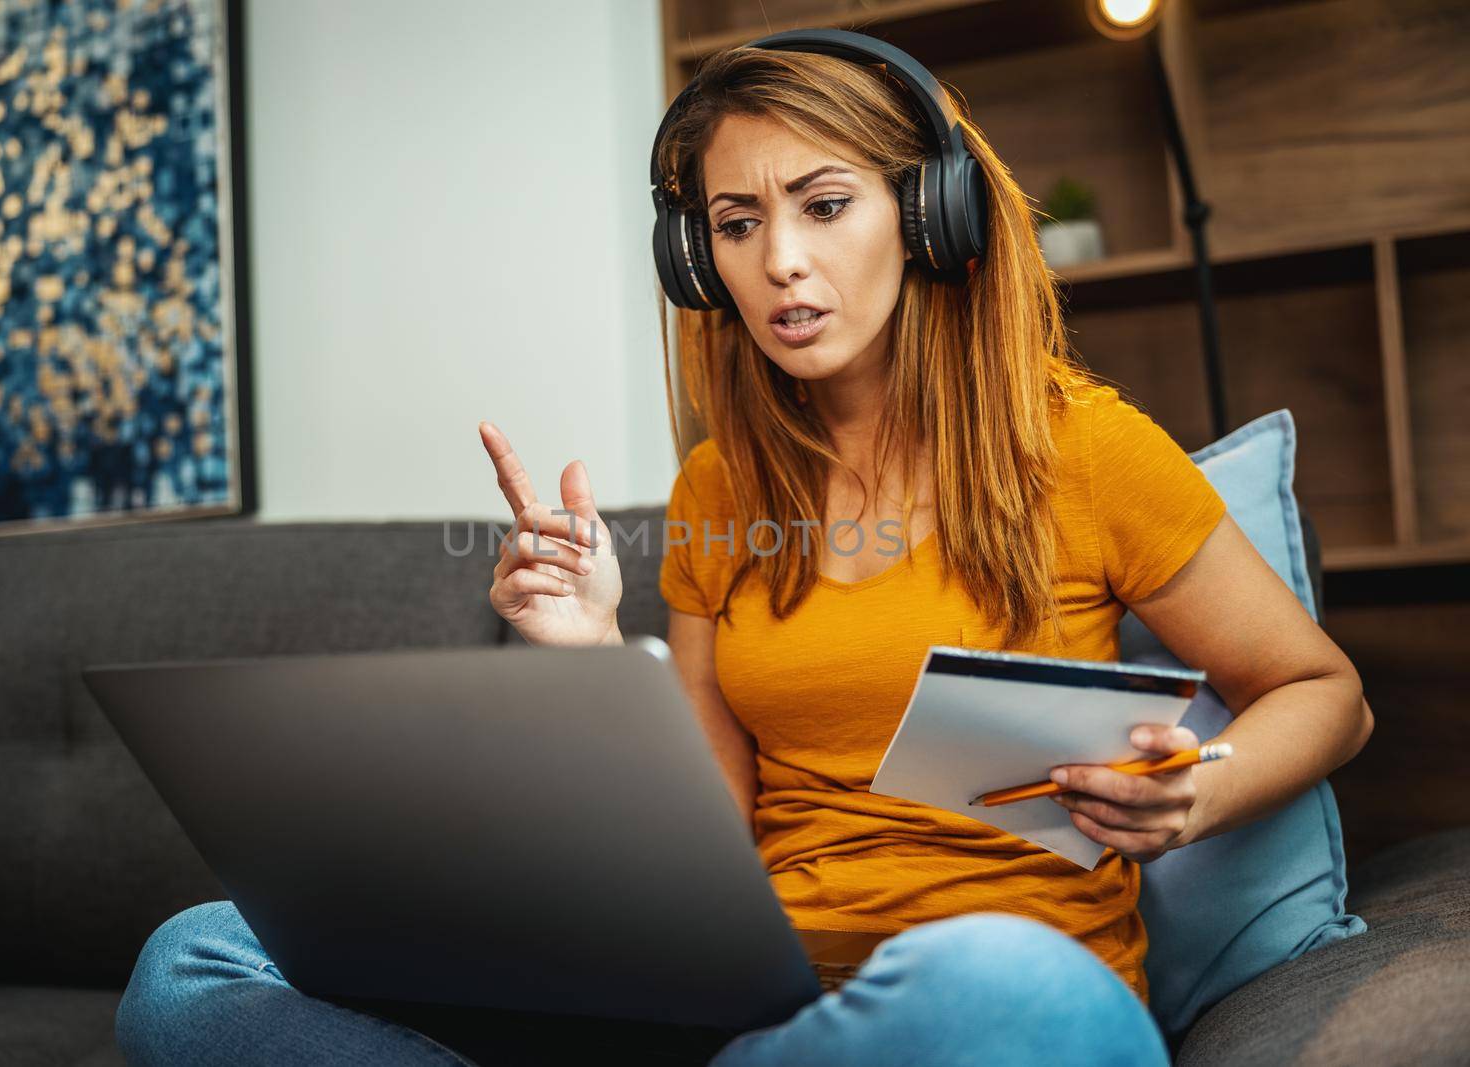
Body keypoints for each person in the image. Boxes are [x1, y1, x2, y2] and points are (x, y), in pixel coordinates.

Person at [116, 42, 1374, 1067]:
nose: (779, 261)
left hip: (995, 996)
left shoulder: (1084, 449)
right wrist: (594, 660)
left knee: (991, 981)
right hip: (747, 1002)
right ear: (695, 257)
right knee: (195, 961)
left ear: (925, 213)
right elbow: (707, 831)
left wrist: (1195, 787)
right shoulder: (721, 489)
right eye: (735, 222)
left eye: (825, 205)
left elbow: (1326, 692)